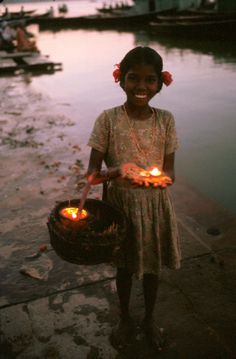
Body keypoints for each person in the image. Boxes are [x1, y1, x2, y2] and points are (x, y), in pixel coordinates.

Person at [86, 46, 181, 351]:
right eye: (133, 78)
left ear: (160, 83)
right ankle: (125, 317)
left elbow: (170, 176)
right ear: (121, 80)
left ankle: (150, 318)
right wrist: (117, 171)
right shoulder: (108, 119)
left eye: (150, 80)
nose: (141, 87)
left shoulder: (165, 120)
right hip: (120, 209)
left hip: (154, 207)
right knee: (124, 268)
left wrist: (150, 179)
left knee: (152, 268)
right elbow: (91, 176)